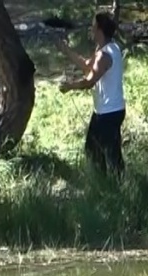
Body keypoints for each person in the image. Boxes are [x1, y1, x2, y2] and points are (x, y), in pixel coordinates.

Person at [61, 11, 126, 176]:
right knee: (93, 148)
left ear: (99, 30)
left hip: (109, 113)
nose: (90, 30)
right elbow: (86, 65)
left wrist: (70, 86)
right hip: (106, 111)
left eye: (93, 26)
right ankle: (105, 181)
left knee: (111, 154)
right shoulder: (110, 48)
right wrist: (65, 50)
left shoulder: (105, 54)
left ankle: (118, 187)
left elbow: (89, 81)